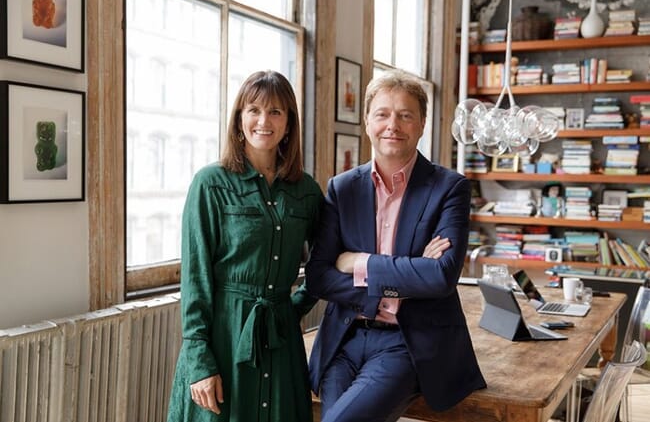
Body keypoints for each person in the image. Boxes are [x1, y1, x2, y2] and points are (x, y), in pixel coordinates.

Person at [305, 69, 487, 422]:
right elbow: (318, 277)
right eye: (383, 114)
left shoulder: (450, 188)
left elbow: (440, 278)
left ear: (421, 125)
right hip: (343, 339)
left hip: (406, 343)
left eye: (406, 115)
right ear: (367, 121)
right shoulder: (342, 188)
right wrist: (408, 273)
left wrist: (358, 262)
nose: (394, 125)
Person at [167, 70, 323, 422]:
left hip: (280, 340)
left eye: (276, 112)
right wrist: (199, 361)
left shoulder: (307, 191)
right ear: (239, 120)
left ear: (288, 124)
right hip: (223, 337)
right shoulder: (211, 184)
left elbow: (326, 260)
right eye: (253, 110)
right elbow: (196, 278)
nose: (263, 121)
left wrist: (293, 307)